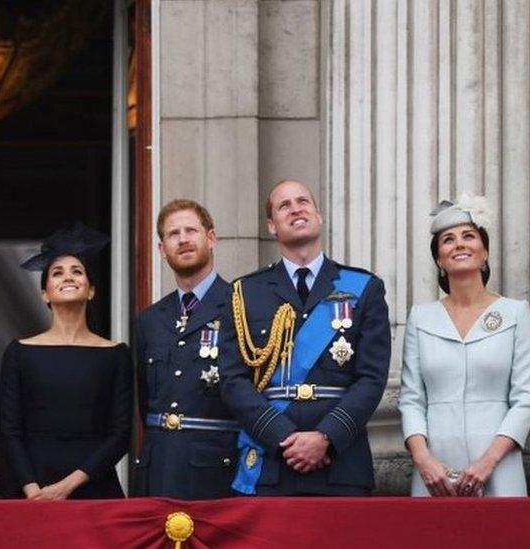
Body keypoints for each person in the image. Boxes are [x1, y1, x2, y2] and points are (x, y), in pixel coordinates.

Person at [218, 180, 390, 495]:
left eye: (303, 201)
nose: (296, 208)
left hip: (341, 462)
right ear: (272, 225)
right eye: (284, 205)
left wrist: (326, 437)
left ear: (318, 215)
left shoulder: (364, 287)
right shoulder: (245, 293)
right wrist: (283, 437)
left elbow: (372, 378)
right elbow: (232, 381)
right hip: (272, 462)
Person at [400, 195, 530, 497]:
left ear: (484, 254)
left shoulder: (516, 312)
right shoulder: (421, 317)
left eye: (468, 236)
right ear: (439, 260)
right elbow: (411, 399)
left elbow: (525, 397)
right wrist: (423, 459)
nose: (459, 244)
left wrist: (488, 461)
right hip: (435, 471)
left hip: (498, 465)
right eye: (448, 240)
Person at [0, 224, 133, 499]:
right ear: (45, 293)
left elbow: (120, 435)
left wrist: (67, 487)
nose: (68, 277)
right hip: (32, 490)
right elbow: (10, 432)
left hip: (95, 487)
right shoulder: (19, 352)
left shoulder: (116, 353)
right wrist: (33, 491)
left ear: (92, 290)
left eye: (77, 271)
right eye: (57, 273)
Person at [133, 199, 238, 499]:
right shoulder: (150, 319)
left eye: (191, 230)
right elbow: (146, 400)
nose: (183, 240)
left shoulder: (240, 306)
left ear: (211, 237)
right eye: (173, 234)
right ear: (162, 249)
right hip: (159, 469)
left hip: (216, 471)